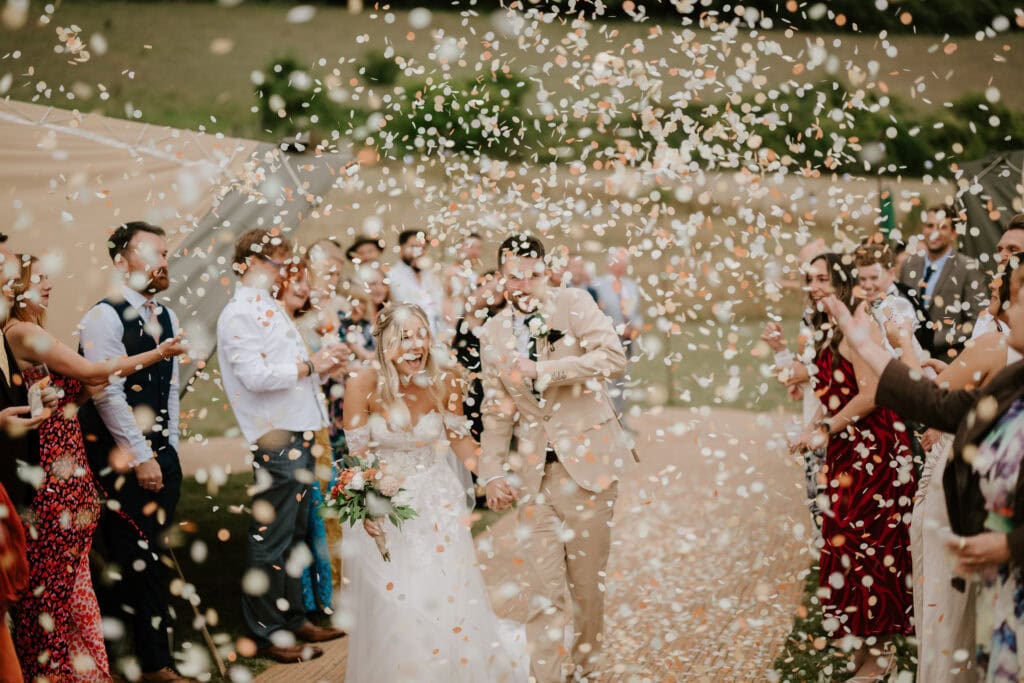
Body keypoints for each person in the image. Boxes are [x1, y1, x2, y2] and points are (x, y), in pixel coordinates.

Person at [825, 256, 1024, 682]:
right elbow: (939, 405)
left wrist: (1013, 545)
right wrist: (869, 349)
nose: (1011, 307)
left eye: (1021, 297)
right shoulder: (1014, 377)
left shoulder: (999, 353)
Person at [5, 254, 184, 682]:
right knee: (50, 600)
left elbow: (69, 396)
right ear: (17, 287)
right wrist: (157, 353)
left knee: (75, 593)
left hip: (73, 479)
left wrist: (80, 395)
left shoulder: (36, 332)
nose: (48, 285)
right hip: (53, 486)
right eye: (38, 279)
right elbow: (92, 369)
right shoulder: (23, 332)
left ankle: (88, 674)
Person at [340, 303, 528, 683]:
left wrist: (490, 476)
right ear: (385, 344)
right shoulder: (361, 384)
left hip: (436, 500)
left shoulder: (444, 381)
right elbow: (357, 456)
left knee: (445, 589)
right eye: (404, 337)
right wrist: (369, 507)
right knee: (396, 599)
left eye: (421, 335)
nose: (415, 345)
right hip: (386, 504)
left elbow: (460, 440)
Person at [478, 234, 636, 682]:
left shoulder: (574, 304)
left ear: (545, 271)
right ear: (501, 277)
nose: (524, 283)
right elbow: (496, 411)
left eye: (532, 274)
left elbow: (613, 358)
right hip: (534, 478)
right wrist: (491, 474)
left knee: (586, 589)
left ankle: (584, 673)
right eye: (514, 276)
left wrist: (546, 370)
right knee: (543, 593)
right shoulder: (492, 332)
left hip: (588, 468)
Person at [216, 229, 346, 663]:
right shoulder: (239, 314)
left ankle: (294, 621)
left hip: (303, 430)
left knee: (294, 536)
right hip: (276, 438)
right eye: (278, 264)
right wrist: (312, 364)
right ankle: (268, 631)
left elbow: (294, 375)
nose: (284, 273)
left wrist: (323, 368)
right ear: (250, 264)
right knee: (270, 540)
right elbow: (255, 377)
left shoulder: (269, 307)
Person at [788, 253, 915, 679]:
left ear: (841, 283)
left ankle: (882, 658)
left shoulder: (855, 325)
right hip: (847, 449)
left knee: (870, 548)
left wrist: (824, 428)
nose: (816, 286)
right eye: (810, 279)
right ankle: (865, 649)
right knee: (843, 543)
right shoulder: (826, 329)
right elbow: (831, 391)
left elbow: (872, 391)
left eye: (823, 278)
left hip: (876, 450)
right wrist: (809, 428)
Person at [77, 222, 191, 683]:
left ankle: (153, 655)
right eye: (153, 253)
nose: (164, 261)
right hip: (123, 461)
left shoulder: (167, 316)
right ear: (122, 261)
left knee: (155, 553)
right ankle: (150, 664)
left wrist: (171, 449)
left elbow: (171, 391)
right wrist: (141, 455)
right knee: (136, 559)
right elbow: (108, 394)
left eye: (165, 253)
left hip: (161, 455)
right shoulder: (103, 317)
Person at [897, 204, 987, 359]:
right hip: (909, 356)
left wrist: (932, 339)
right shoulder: (909, 264)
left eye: (942, 227)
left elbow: (978, 321)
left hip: (948, 359)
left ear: (953, 233)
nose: (934, 233)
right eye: (929, 226)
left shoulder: (968, 268)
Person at [591, 247, 643, 424]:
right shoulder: (598, 285)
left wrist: (636, 327)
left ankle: (621, 419)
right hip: (608, 340)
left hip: (628, 341)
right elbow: (597, 312)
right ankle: (608, 420)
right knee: (609, 383)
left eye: (624, 264)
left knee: (624, 381)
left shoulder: (631, 286)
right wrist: (617, 328)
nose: (621, 267)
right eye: (618, 263)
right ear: (609, 264)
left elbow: (637, 313)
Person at [972, 216, 1024, 339]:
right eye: (999, 249)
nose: (1000, 256)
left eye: (1013, 249)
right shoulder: (989, 312)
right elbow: (973, 355)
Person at [387, 229, 446, 339]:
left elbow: (439, 310)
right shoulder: (390, 277)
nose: (418, 252)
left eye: (423, 248)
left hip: (436, 341)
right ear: (401, 247)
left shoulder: (432, 276)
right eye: (413, 247)